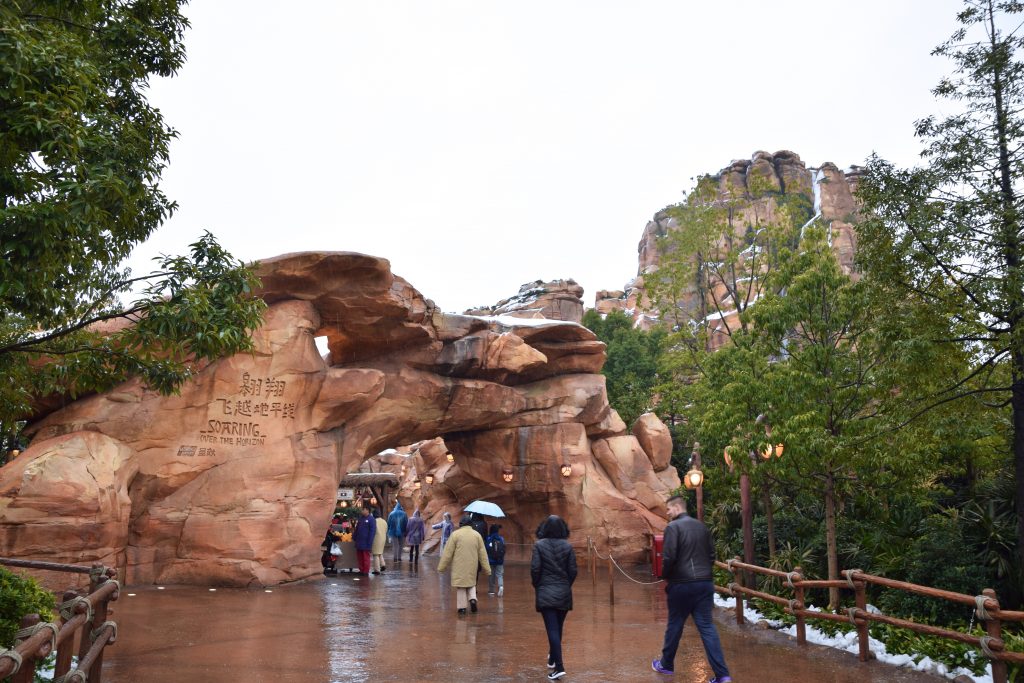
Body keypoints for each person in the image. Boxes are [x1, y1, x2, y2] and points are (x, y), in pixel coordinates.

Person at [651, 495, 731, 682]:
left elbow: (669, 557)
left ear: (677, 507)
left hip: (681, 584)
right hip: (704, 583)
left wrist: (665, 576)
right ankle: (723, 675)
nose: (667, 513)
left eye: (669, 509)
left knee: (675, 624)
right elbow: (711, 555)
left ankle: (666, 665)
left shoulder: (672, 527)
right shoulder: (702, 527)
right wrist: (703, 574)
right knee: (707, 628)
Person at [532, 515, 576, 681]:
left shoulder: (539, 545)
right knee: (558, 628)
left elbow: (535, 569)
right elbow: (573, 571)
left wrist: (538, 585)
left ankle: (559, 667)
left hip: (545, 590)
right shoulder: (568, 546)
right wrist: (565, 585)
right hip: (563, 591)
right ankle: (552, 659)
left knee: (552, 630)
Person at [438, 515, 491, 615]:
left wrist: (442, 567)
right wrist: (487, 569)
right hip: (472, 565)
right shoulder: (477, 535)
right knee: (471, 583)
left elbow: (447, 553)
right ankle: (473, 599)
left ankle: (462, 608)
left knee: (461, 586)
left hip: (459, 566)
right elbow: (483, 554)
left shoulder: (455, 535)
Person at [353, 506, 376, 576]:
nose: (362, 511)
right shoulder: (360, 519)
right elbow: (357, 529)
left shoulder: (371, 519)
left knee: (366, 557)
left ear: (367, 510)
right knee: (360, 557)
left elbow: (372, 532)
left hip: (366, 542)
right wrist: (354, 537)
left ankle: (366, 571)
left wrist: (370, 543)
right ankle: (361, 570)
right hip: (359, 541)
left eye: (363, 509)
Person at [486, 523, 506, 597]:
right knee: (500, 574)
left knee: (491, 575)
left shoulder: (488, 538)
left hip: (491, 560)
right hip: (500, 560)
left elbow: (486, 548)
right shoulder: (501, 538)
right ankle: (501, 586)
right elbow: (504, 549)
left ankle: (491, 591)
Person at [371, 509, 388, 574]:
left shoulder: (374, 521)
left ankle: (377, 570)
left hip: (376, 539)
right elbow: (386, 530)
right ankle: (383, 564)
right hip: (383, 538)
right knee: (380, 552)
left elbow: (372, 530)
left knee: (375, 554)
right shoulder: (384, 521)